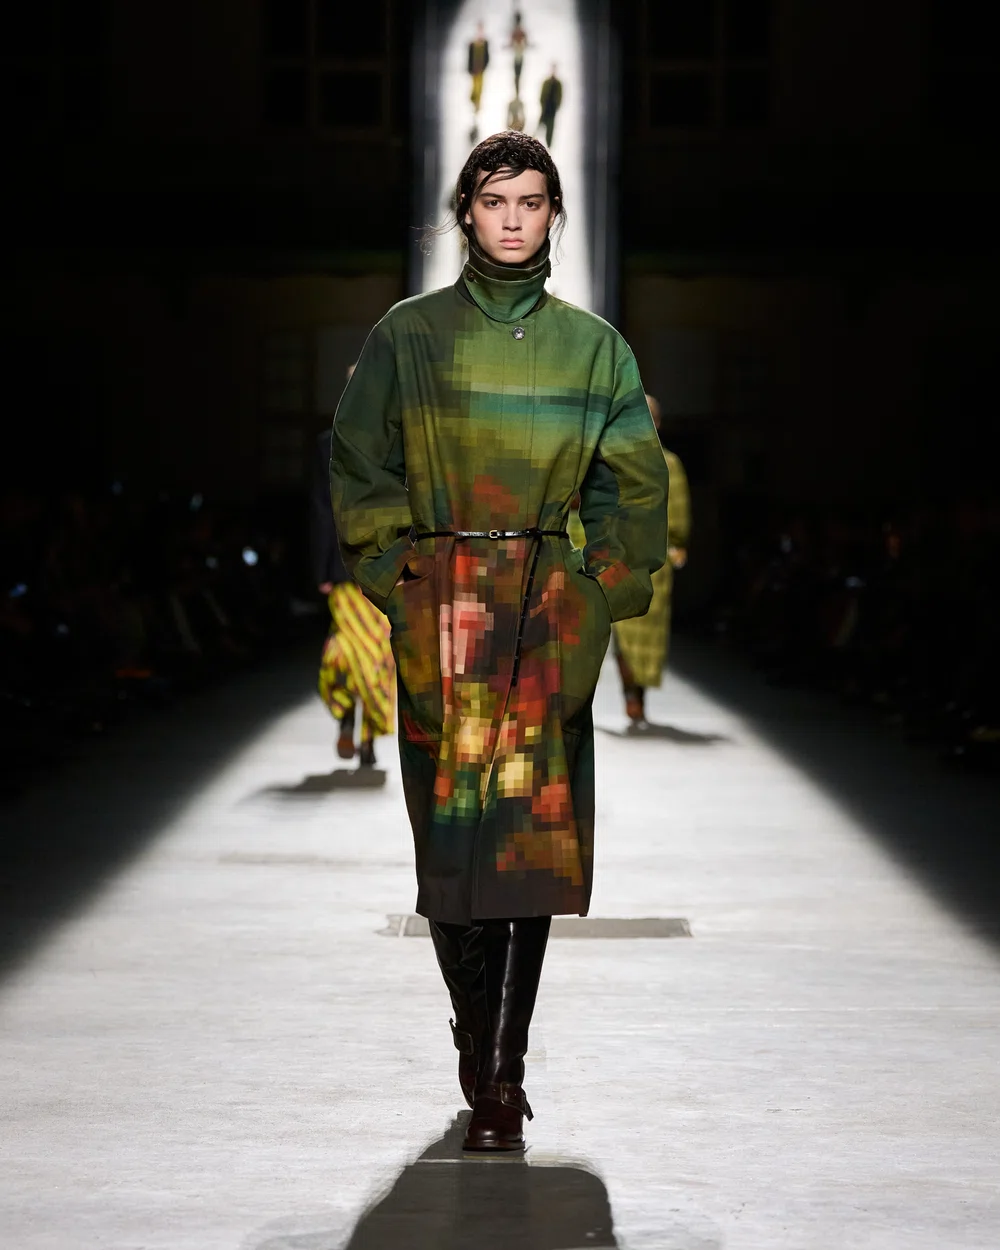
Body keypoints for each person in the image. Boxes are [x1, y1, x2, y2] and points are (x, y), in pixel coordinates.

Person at [331, 132, 668, 1152]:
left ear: (554, 212)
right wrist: (396, 576)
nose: (512, 219)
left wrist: (600, 591)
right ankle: (476, 1036)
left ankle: (502, 1075)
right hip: (442, 614)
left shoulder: (594, 348)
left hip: (544, 615)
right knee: (450, 848)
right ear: (466, 213)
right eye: (493, 201)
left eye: (530, 201)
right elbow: (358, 459)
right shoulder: (408, 335)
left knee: (526, 846)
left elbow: (631, 483)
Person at [313, 366, 394, 768]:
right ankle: (358, 731)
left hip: (366, 568)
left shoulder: (391, 443)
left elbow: (321, 510)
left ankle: (357, 728)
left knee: (363, 653)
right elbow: (320, 510)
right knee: (361, 653)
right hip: (362, 567)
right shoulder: (335, 444)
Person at [612, 394, 691, 724]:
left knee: (646, 634)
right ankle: (631, 695)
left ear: (657, 423)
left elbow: (678, 512)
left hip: (653, 561)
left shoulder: (669, 464)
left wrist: (676, 546)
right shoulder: (614, 458)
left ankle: (637, 694)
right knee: (622, 633)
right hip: (620, 558)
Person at [537, 64, 563, 147]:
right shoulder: (546, 82)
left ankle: (548, 146)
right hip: (545, 109)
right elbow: (542, 95)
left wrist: (556, 106)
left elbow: (559, 96)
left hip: (552, 110)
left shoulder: (558, 83)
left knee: (550, 131)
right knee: (539, 127)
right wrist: (543, 105)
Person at [468, 21, 490, 115]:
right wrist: (470, 69)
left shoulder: (484, 43)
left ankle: (476, 103)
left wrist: (483, 67)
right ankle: (475, 101)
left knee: (479, 87)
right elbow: (470, 57)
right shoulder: (473, 44)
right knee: (475, 86)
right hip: (475, 69)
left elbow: (487, 57)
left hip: (480, 69)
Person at [507, 10, 529, 95]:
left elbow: (525, 43)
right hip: (517, 56)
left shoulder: (519, 33)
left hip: (519, 56)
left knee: (518, 74)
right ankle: (517, 90)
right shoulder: (518, 33)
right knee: (517, 74)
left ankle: (517, 90)